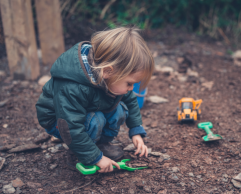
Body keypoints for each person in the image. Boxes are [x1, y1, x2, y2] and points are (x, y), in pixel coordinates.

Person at [36, 27, 154, 173]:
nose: (131, 88)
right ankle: (83, 153)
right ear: (108, 71)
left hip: (86, 109)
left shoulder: (109, 77)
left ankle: (99, 145)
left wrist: (136, 131)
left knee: (119, 109)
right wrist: (95, 159)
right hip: (60, 121)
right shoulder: (73, 87)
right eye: (129, 83)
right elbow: (70, 126)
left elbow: (130, 101)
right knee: (95, 120)